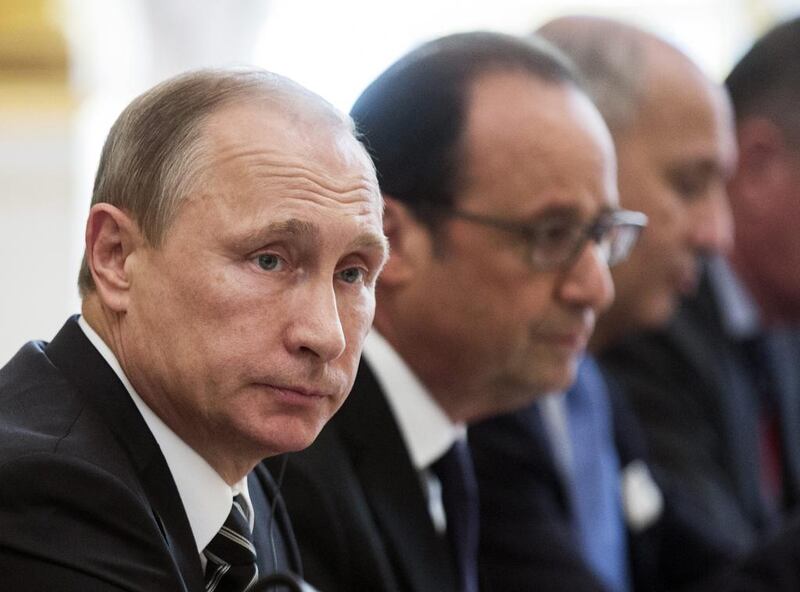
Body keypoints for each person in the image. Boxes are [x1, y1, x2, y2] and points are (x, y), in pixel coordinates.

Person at [265, 31, 646, 592]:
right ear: (390, 240)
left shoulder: (444, 437)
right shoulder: (293, 463)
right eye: (552, 234)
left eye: (601, 235)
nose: (595, 289)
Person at [0, 68, 388, 591]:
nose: (326, 335)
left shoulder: (240, 476)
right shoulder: (39, 488)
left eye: (352, 273)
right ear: (115, 256)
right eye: (269, 260)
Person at [470, 16, 739, 592]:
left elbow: (705, 566)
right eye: (689, 184)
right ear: (587, 155)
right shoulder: (478, 392)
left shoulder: (591, 383)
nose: (718, 235)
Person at [602, 15, 800, 558]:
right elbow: (711, 573)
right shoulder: (640, 318)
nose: (710, 234)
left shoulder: (780, 328)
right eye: (688, 183)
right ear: (758, 166)